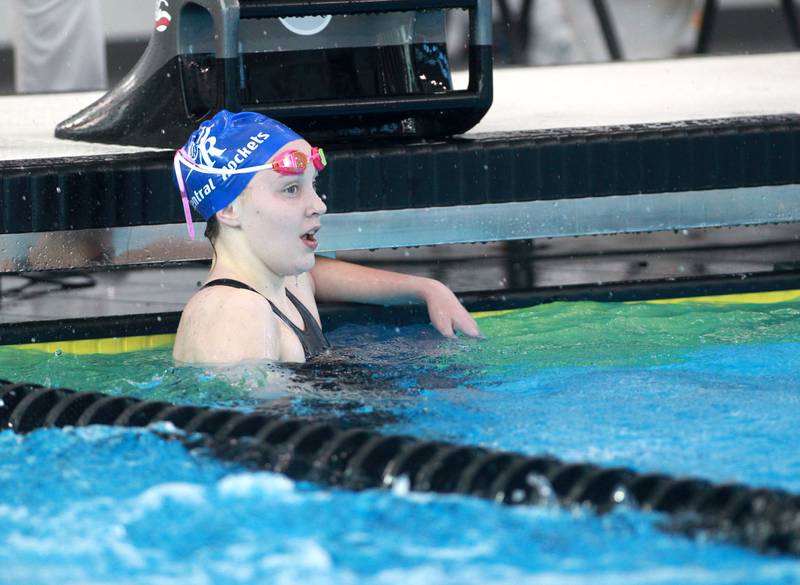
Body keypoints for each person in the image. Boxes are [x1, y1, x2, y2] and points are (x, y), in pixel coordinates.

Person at [172, 110, 481, 364]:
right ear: (228, 209)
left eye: (313, 185)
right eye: (291, 189)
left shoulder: (284, 283)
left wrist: (426, 288)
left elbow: (315, 273)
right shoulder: (237, 314)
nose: (319, 205)